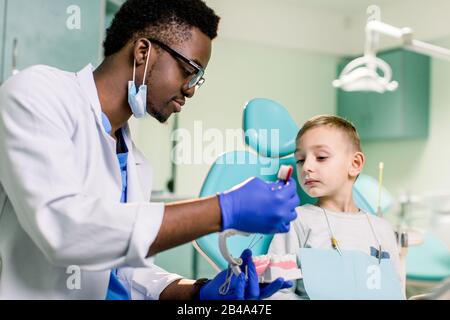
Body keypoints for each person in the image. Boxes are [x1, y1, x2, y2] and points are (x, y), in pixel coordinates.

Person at [0, 0, 299, 300]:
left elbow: (130, 275)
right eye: (189, 71)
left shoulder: (137, 164)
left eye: (197, 79)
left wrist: (200, 292)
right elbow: (64, 230)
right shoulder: (36, 94)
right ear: (143, 51)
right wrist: (224, 209)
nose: (191, 89)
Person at [268, 115, 404, 299]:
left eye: (321, 157)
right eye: (300, 160)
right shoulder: (296, 221)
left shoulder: (382, 230)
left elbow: (394, 292)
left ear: (354, 164)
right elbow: (276, 292)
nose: (306, 166)